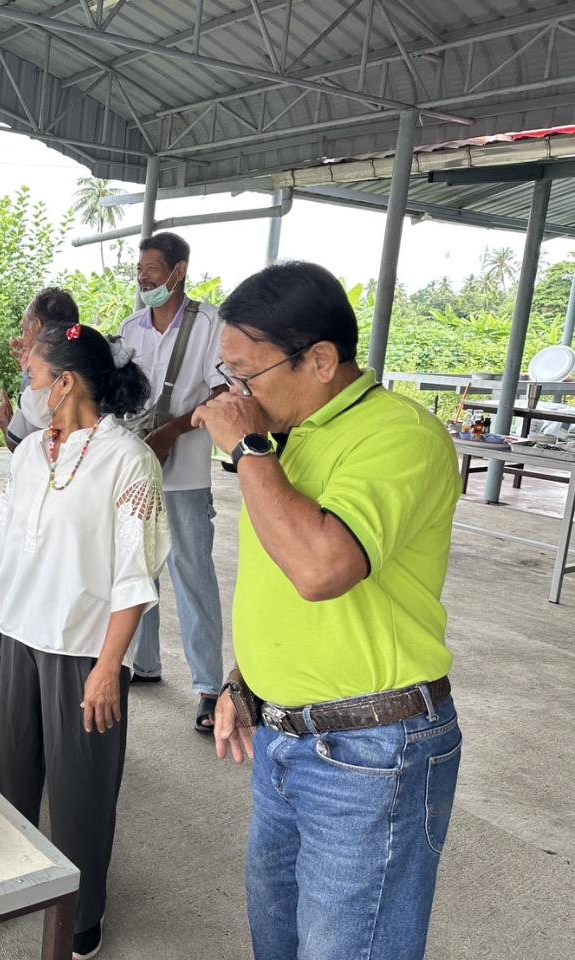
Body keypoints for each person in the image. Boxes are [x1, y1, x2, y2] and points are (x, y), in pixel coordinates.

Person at [194, 262, 462, 960]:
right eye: (228, 375)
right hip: (285, 739)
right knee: (278, 939)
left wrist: (248, 448)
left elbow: (319, 570)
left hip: (371, 751)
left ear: (319, 360)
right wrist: (245, 679)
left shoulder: (399, 435)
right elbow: (276, 578)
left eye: (247, 375)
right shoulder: (292, 433)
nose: (236, 395)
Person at [0, 323, 170, 960]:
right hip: (15, 635)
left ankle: (81, 914)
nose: (27, 384)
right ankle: (4, 887)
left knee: (81, 790)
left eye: (33, 373)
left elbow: (135, 576)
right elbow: (8, 553)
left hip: (83, 649)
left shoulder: (128, 461)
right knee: (3, 775)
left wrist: (109, 667)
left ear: (65, 382)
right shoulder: (30, 453)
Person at [118, 232, 228, 735]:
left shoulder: (209, 324)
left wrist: (172, 431)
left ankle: (209, 686)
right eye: (140, 269)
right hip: (138, 467)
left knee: (191, 574)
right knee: (138, 565)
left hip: (186, 475)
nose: (143, 278)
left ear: (179, 271)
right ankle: (143, 663)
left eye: (152, 269)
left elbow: (223, 391)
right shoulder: (131, 328)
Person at [0, 286, 80, 451]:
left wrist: (4, 421)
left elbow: (21, 446)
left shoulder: (42, 375)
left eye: (24, 329)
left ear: (37, 326)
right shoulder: (89, 359)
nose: (22, 337)